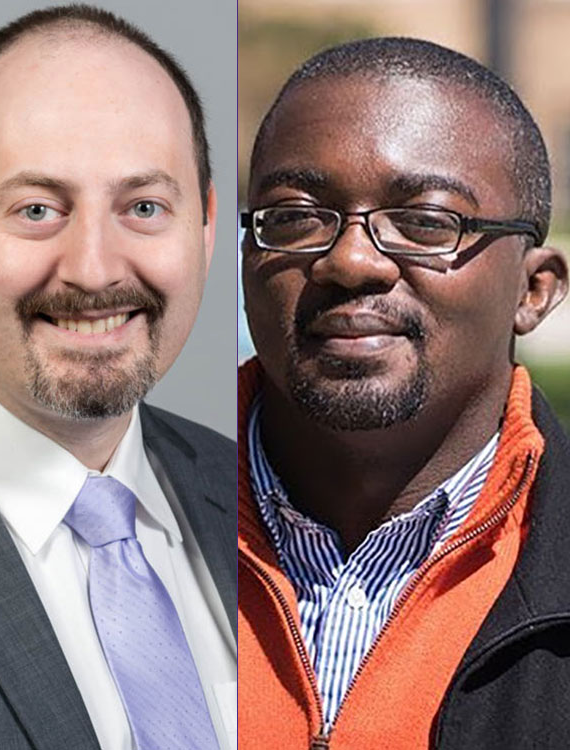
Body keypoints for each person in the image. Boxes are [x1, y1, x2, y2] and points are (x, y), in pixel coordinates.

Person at [0, 5, 237, 749]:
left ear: (207, 226)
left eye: (144, 207)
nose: (94, 268)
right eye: (37, 209)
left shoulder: (256, 499)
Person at [239, 37, 570, 749]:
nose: (350, 260)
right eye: (296, 216)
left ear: (533, 289)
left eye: (425, 222)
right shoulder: (98, 538)